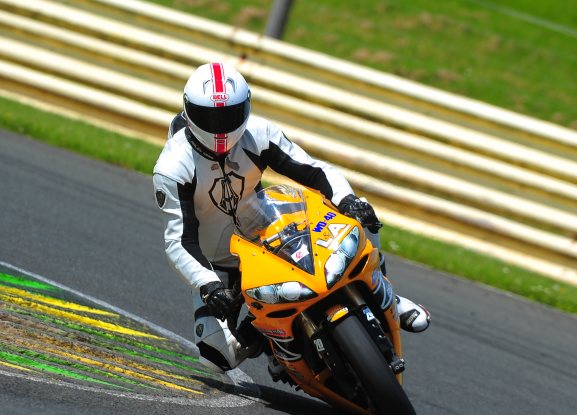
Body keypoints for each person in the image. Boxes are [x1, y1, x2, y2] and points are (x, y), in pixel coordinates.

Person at [153, 62, 430, 374]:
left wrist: (347, 199)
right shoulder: (173, 167)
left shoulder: (258, 133)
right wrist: (209, 286)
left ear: (245, 108)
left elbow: (314, 169)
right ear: (189, 113)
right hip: (220, 263)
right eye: (210, 117)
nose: (220, 128)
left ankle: (386, 292)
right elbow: (179, 240)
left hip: (269, 229)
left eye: (228, 116)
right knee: (218, 356)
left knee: (362, 211)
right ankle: (272, 339)